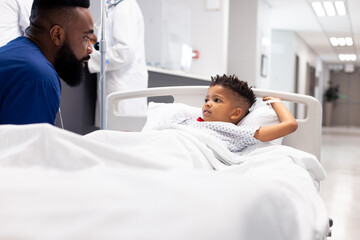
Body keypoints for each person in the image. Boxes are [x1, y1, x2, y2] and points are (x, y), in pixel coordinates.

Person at [0, 0, 94, 125]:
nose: (90, 49)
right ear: (57, 35)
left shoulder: (15, 51)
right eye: (85, 38)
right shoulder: (38, 77)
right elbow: (31, 144)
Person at [173, 74, 298, 153]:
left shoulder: (235, 133)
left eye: (217, 100)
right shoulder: (192, 121)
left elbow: (290, 125)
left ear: (235, 113)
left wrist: (276, 102)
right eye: (207, 100)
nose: (207, 104)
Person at [87, 0, 148, 126]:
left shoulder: (124, 7)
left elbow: (124, 52)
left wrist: (90, 55)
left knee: (121, 134)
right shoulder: (114, 7)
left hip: (123, 87)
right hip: (118, 85)